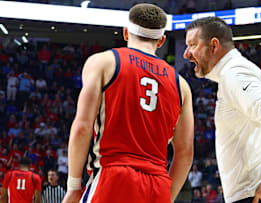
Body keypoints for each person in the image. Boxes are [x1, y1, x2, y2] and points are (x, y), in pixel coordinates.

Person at [62, 3, 194, 203]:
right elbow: (185, 152)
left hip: (112, 177)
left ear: (125, 33)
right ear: (161, 41)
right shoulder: (181, 85)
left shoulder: (103, 62)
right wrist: (166, 197)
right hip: (157, 185)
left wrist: (73, 186)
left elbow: (82, 127)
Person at [183, 16, 261, 203]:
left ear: (214, 45)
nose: (186, 53)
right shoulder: (232, 73)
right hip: (255, 192)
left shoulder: (235, 73)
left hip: (258, 194)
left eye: (192, 45)